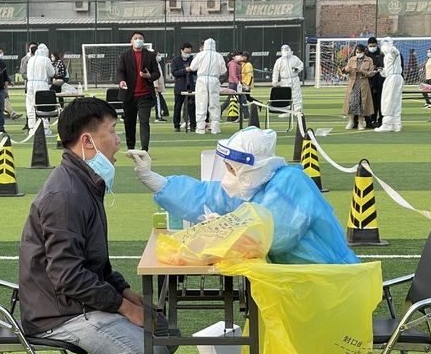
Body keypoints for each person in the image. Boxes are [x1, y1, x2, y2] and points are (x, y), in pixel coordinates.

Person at [19, 97, 176, 354]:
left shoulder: (84, 183)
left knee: (165, 332)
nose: (119, 140)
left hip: (73, 300)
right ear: (87, 141)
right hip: (58, 310)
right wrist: (127, 309)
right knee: (152, 353)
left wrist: (132, 296)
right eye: (113, 131)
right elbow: (68, 276)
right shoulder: (65, 194)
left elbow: (95, 265)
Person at [127, 127, 360, 265]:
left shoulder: (290, 182)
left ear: (252, 167)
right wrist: (154, 180)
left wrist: (224, 230)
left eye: (232, 168)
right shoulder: (256, 187)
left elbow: (273, 238)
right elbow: (207, 197)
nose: (228, 173)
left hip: (328, 281)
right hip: (300, 284)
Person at [116, 31, 158, 150]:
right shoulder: (125, 55)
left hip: (145, 95)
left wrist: (149, 76)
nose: (138, 40)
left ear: (143, 41)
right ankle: (131, 147)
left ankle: (145, 148)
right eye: (136, 38)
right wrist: (121, 81)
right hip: (129, 95)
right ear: (131, 41)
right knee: (129, 122)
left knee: (144, 121)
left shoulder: (150, 55)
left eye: (140, 38)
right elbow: (120, 71)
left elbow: (157, 73)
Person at [187, 37, 225, 135]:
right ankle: (215, 128)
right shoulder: (219, 56)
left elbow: (192, 67)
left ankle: (200, 128)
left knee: (201, 103)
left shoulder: (200, 55)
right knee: (214, 103)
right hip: (214, 80)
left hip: (202, 79)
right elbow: (223, 70)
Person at [342, 45, 376, 131]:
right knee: (351, 102)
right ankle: (351, 121)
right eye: (357, 52)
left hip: (363, 84)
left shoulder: (369, 60)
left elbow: (372, 73)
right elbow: (344, 71)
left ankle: (360, 123)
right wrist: (345, 70)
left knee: (362, 104)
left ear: (364, 52)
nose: (358, 54)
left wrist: (362, 72)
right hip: (353, 84)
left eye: (360, 52)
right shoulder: (352, 59)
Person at [25, 43, 55, 135]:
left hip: (30, 84)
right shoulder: (45, 60)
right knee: (43, 106)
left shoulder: (30, 59)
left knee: (30, 106)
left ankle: (31, 127)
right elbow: (51, 73)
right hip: (42, 84)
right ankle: (45, 128)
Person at [375, 38, 404, 133]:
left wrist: (393, 50)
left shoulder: (392, 52)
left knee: (388, 100)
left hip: (393, 78)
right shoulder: (386, 56)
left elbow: (394, 53)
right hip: (395, 77)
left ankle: (387, 124)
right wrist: (383, 72)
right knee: (395, 100)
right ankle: (396, 124)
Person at [271, 44, 304, 117]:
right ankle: (286, 111)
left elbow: (301, 65)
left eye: (287, 49)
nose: (286, 51)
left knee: (297, 95)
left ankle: (298, 111)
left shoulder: (295, 58)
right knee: (285, 96)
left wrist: (297, 69)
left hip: (294, 78)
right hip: (284, 80)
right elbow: (276, 71)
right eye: (284, 50)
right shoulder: (279, 61)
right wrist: (275, 80)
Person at [170, 43, 196, 132]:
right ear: (182, 50)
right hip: (180, 87)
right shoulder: (175, 60)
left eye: (189, 52)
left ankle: (193, 125)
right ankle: (176, 125)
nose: (188, 54)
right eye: (186, 52)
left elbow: (197, 71)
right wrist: (185, 70)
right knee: (178, 107)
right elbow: (174, 73)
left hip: (190, 87)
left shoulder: (193, 59)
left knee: (192, 107)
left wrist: (192, 70)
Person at [219, 51, 250, 121]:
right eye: (238, 55)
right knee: (232, 100)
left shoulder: (238, 64)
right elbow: (233, 75)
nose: (240, 56)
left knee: (243, 99)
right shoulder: (233, 64)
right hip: (234, 84)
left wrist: (240, 82)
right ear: (233, 57)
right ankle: (247, 115)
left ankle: (247, 115)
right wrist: (238, 83)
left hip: (236, 84)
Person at [364, 37, 385, 129]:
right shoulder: (364, 53)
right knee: (369, 102)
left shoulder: (381, 53)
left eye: (374, 46)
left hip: (379, 80)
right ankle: (371, 120)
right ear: (367, 45)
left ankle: (381, 119)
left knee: (380, 101)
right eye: (371, 46)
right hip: (367, 80)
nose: (372, 47)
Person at [0, 46, 14, 132]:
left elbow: (5, 77)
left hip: (1, 89)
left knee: (0, 109)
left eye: (1, 52)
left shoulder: (3, 64)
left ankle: (1, 126)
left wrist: (6, 90)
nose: (0, 54)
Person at [152, 50, 168, 123]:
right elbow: (155, 77)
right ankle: (158, 116)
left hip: (157, 86)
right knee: (157, 102)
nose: (159, 56)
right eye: (158, 55)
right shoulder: (154, 64)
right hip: (156, 87)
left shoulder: (157, 64)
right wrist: (155, 86)